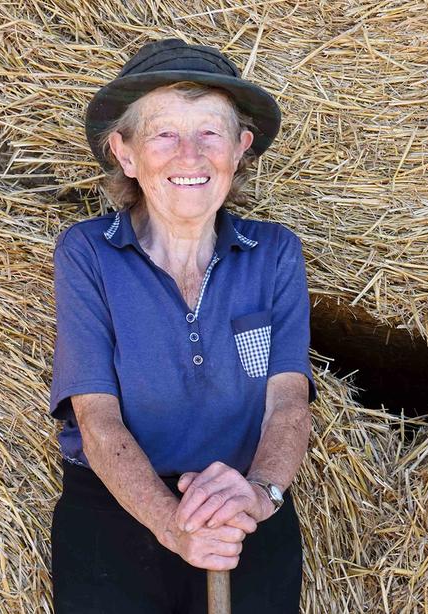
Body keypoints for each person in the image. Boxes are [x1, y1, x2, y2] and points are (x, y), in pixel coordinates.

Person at [49, 39, 315, 613]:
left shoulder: (274, 253)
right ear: (124, 153)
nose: (190, 156)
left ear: (241, 149)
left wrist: (259, 498)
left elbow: (288, 404)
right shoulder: (87, 253)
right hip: (114, 515)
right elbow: (97, 420)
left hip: (246, 507)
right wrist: (175, 528)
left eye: (210, 134)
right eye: (164, 134)